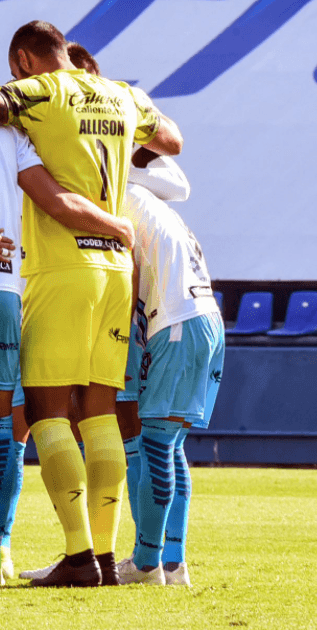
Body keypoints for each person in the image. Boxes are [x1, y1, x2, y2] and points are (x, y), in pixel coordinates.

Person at [0, 20, 183, 587]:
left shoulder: (40, 92)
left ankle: (75, 555)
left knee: (45, 412)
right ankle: (104, 555)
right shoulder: (121, 93)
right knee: (100, 414)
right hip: (117, 271)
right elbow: (170, 140)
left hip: (60, 267)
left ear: (22, 59)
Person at [117, 149, 222, 586]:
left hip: (175, 322)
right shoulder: (156, 203)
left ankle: (146, 564)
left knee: (156, 446)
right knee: (171, 445)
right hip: (206, 318)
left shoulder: (121, 196)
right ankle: (173, 563)